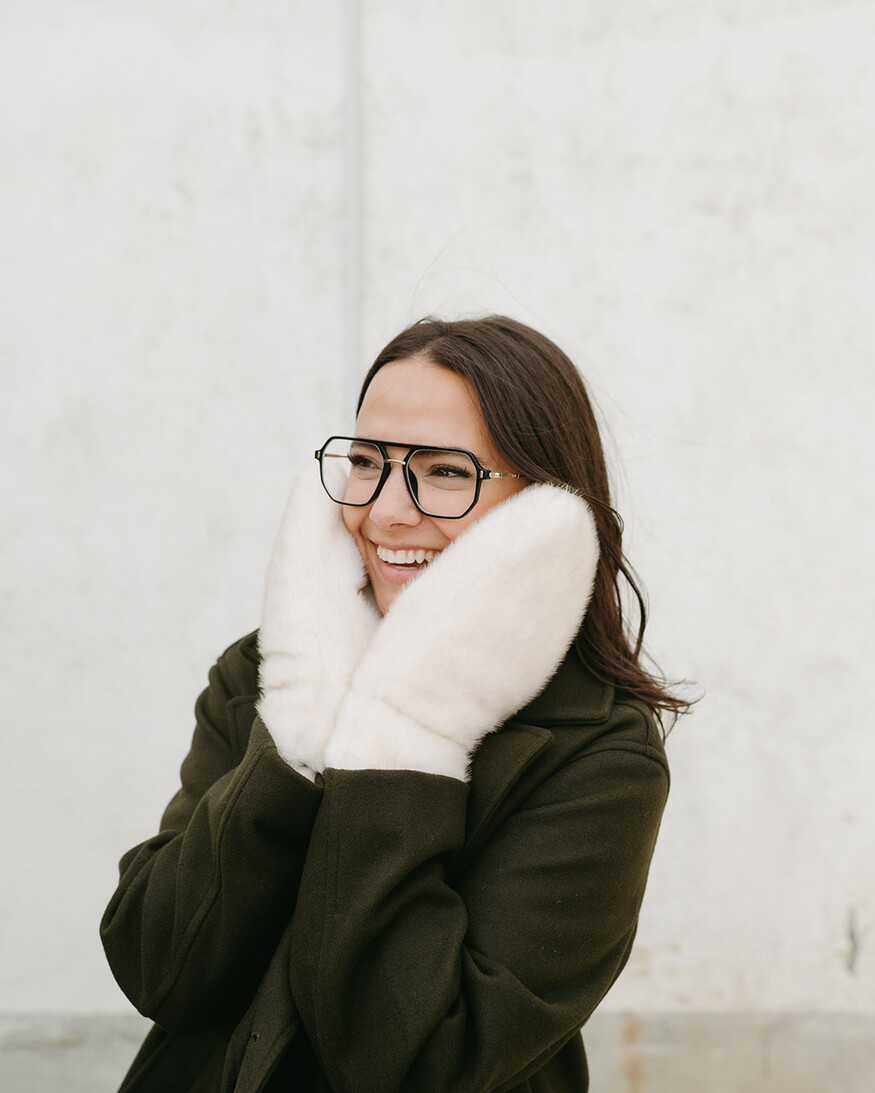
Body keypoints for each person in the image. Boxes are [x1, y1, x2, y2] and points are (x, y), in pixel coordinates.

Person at [101, 315, 686, 1093]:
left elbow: (416, 1062)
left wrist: (405, 739)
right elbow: (161, 965)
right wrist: (300, 733)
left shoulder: (598, 754)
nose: (383, 513)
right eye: (366, 462)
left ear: (542, 507)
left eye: (445, 472)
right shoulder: (268, 670)